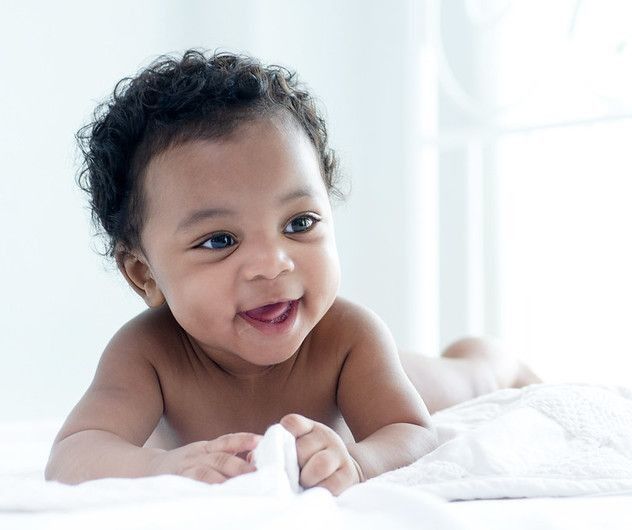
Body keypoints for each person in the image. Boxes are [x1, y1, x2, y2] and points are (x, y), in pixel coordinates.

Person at [45, 49, 539, 495]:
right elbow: (73, 454)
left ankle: (494, 359)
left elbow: (412, 434)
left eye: (298, 223)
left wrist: (360, 462)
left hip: (391, 380)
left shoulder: (348, 337)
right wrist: (160, 467)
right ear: (143, 275)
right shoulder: (147, 355)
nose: (272, 264)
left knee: (465, 381)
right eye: (220, 240)